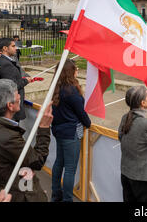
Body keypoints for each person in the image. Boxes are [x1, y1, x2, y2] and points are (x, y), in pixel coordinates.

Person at [0, 79, 53, 202]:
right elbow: (37, 160)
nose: (20, 96)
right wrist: (44, 128)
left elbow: (5, 165)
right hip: (12, 196)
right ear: (10, 105)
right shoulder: (7, 137)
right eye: (16, 94)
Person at [51, 59, 91, 202]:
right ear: (70, 72)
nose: (77, 71)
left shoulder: (56, 87)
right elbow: (81, 113)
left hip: (58, 131)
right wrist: (88, 123)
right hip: (70, 133)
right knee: (69, 168)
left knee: (59, 162)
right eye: (75, 69)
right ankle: (67, 199)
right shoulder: (72, 91)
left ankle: (55, 195)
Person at [0, 38, 33, 121]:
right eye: (13, 46)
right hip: (10, 107)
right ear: (5, 48)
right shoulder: (6, 64)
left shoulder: (0, 60)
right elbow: (12, 86)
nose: (16, 48)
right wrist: (26, 81)